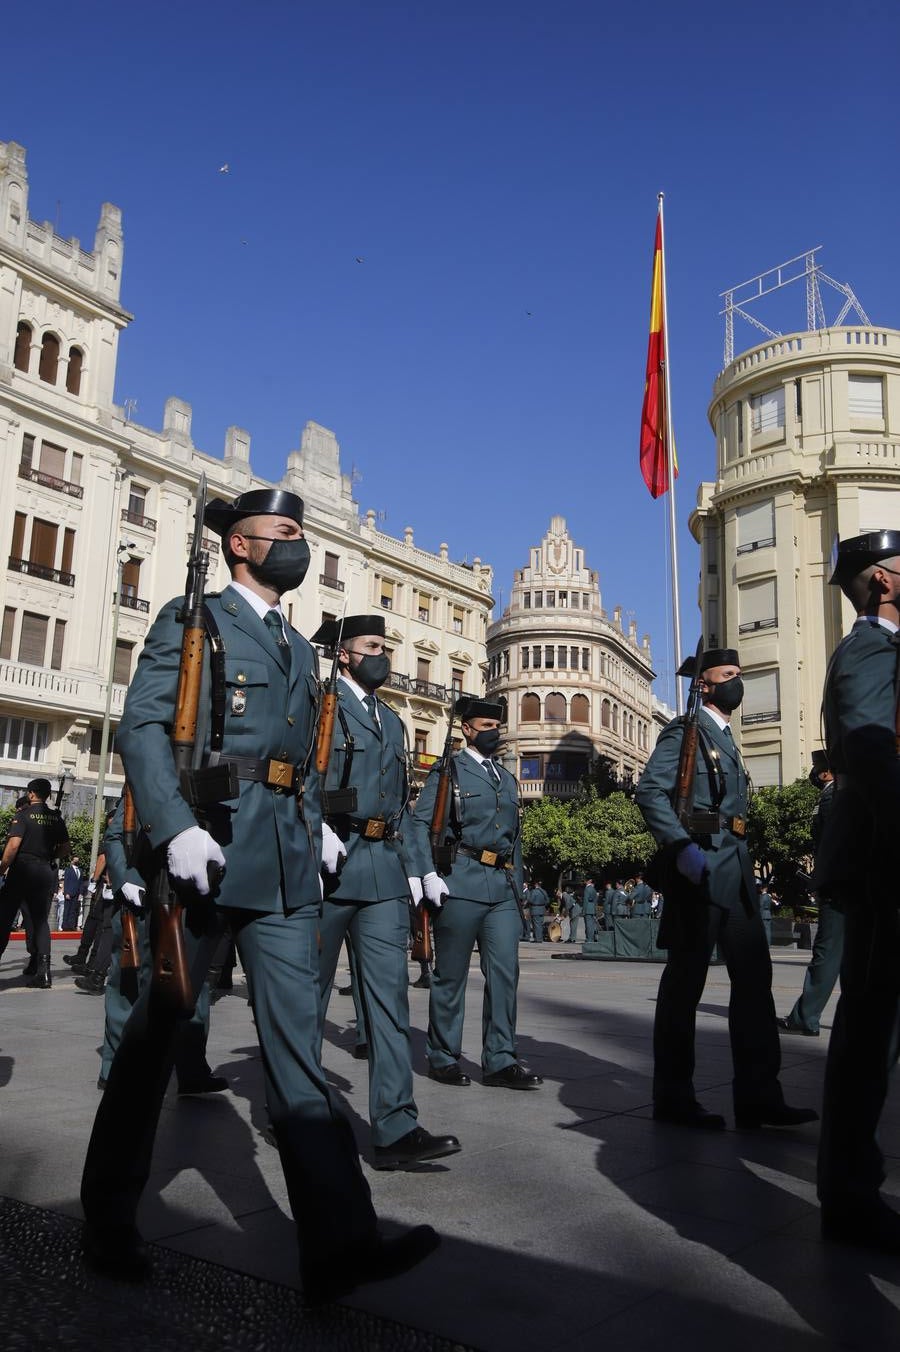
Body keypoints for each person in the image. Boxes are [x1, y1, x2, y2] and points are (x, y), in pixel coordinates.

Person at [79, 487, 438, 1300]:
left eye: (299, 533)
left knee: (297, 1049)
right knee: (152, 1046)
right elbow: (144, 727)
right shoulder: (193, 618)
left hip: (280, 866)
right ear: (239, 546)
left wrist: (313, 826)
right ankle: (107, 1218)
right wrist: (173, 829)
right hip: (207, 852)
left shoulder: (295, 646)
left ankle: (339, 1243)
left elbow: (301, 757)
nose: (297, 545)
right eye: (282, 533)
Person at [635, 647, 818, 1133]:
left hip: (735, 867)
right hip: (700, 864)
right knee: (685, 984)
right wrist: (679, 847)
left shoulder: (726, 739)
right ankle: (673, 1096)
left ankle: (760, 1096)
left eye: (739, 674)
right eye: (728, 675)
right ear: (704, 684)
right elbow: (650, 792)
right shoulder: (684, 732)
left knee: (755, 983)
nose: (737, 681)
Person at [311, 612, 460, 1170]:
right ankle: (297, 1112)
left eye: (385, 647)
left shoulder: (393, 723)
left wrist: (416, 868)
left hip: (380, 868)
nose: (383, 656)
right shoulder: (320, 703)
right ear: (345, 654)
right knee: (309, 996)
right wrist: (313, 827)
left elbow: (402, 808)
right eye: (372, 646)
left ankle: (396, 1124)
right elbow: (301, 772)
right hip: (327, 863)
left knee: (389, 1002)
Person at [812, 531, 900, 1252]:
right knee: (872, 1030)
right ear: (883, 582)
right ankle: (848, 1192)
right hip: (884, 859)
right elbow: (871, 752)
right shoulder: (872, 649)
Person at [409, 697, 542, 1090]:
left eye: (496, 726)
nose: (493, 732)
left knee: (504, 975)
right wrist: (426, 874)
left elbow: (514, 839)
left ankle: (500, 1059)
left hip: (501, 889)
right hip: (461, 881)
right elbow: (420, 825)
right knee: (450, 975)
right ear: (467, 729)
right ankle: (443, 1055)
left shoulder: (507, 778)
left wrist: (517, 882)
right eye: (485, 725)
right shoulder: (449, 771)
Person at [778, 751, 841, 1038]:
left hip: (837, 889)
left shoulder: (831, 797)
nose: (814, 775)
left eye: (817, 770)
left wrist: (821, 881)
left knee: (826, 954)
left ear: (827, 772)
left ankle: (806, 1017)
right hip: (854, 886)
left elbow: (828, 844)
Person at [0, 778, 70, 988]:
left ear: (31, 794)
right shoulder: (56, 818)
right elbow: (65, 849)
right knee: (40, 922)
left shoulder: (23, 815)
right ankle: (44, 973)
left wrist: (2, 868)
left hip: (23, 870)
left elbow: (13, 846)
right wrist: (50, 856)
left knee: (4, 917)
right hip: (44, 871)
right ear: (48, 795)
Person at [62, 854, 84, 930]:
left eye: (77, 860)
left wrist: (81, 893)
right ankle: (65, 926)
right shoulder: (68, 870)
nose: (76, 861)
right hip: (69, 893)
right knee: (67, 910)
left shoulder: (80, 871)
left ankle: (71, 926)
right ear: (72, 861)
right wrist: (66, 893)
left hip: (77, 893)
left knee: (73, 910)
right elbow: (66, 881)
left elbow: (81, 882)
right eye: (75, 860)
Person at [582, 877, 599, 942]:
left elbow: (585, 900)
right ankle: (592, 938)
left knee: (588, 925)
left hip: (588, 909)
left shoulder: (587, 889)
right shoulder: (593, 889)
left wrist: (583, 910)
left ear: (589, 881)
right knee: (592, 925)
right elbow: (595, 900)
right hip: (592, 908)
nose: (585, 881)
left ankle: (589, 939)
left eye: (586, 880)